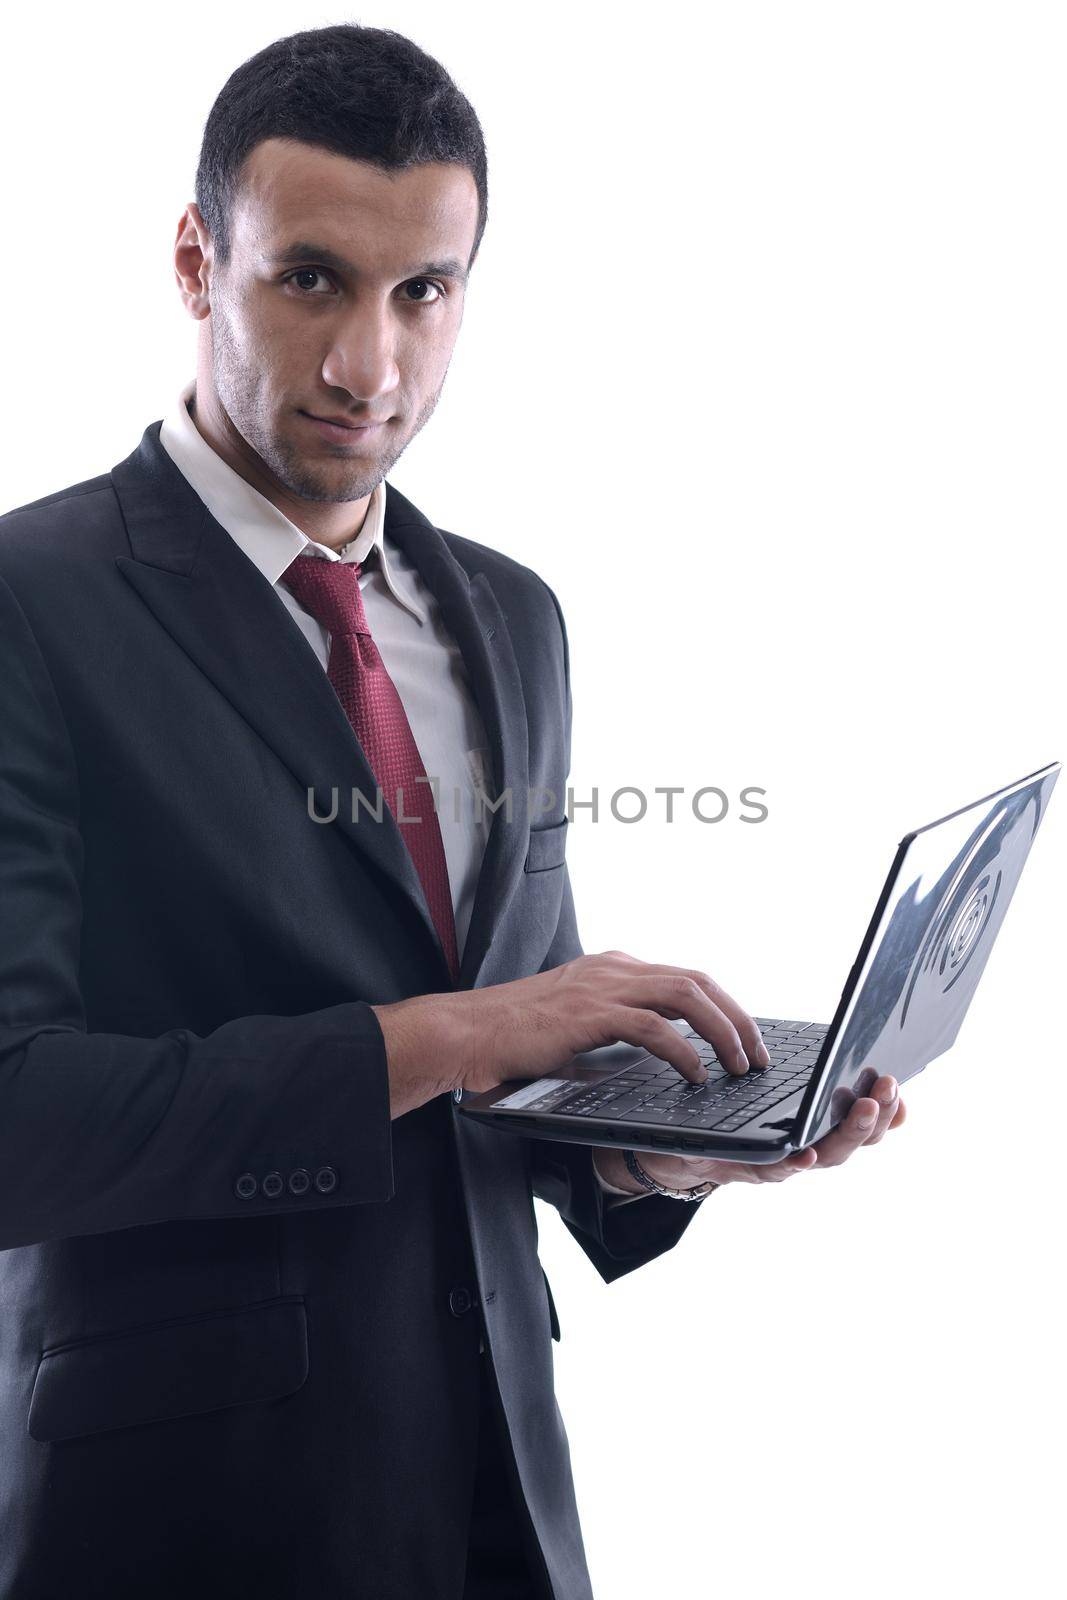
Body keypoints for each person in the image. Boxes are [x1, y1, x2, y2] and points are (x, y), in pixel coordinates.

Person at [0, 24, 905, 1599]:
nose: (373, 364)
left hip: (500, 1498)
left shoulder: (512, 615)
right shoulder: (28, 605)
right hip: (176, 1521)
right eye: (312, 281)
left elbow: (515, 1098)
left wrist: (669, 1152)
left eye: (425, 290)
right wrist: (460, 1031)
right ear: (196, 260)